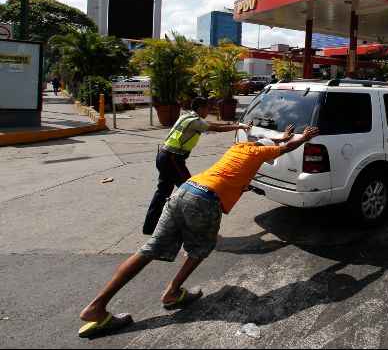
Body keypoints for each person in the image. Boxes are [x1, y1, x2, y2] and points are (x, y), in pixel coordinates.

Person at [78, 124, 320, 338]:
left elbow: (267, 143)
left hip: (185, 190)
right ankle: (172, 292)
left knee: (149, 249)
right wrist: (303, 137)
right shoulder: (259, 153)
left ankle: (96, 307)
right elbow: (286, 149)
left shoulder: (239, 149)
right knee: (200, 249)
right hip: (205, 200)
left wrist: (281, 136)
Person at [142, 97, 252, 235]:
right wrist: (240, 126)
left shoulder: (187, 116)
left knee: (163, 191)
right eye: (207, 108)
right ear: (200, 108)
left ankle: (150, 227)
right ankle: (192, 227)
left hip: (164, 156)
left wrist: (232, 124)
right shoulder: (194, 121)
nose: (208, 111)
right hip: (172, 158)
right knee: (191, 192)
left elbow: (209, 123)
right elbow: (216, 129)